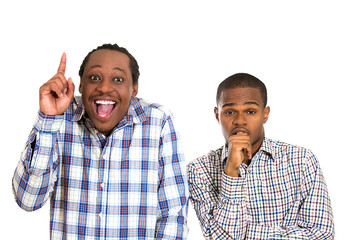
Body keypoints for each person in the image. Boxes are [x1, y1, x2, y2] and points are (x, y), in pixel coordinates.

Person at [12, 43, 189, 239]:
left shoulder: (159, 122)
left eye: (118, 79)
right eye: (94, 78)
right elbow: (28, 200)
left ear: (134, 89)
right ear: (80, 85)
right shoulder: (59, 118)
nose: (104, 87)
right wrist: (48, 120)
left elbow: (173, 216)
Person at [187, 73, 334, 239]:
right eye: (229, 112)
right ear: (216, 115)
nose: (240, 121)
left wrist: (247, 233)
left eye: (250, 111)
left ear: (265, 114)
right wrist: (231, 171)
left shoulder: (301, 160)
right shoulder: (199, 170)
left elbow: (322, 235)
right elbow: (218, 238)